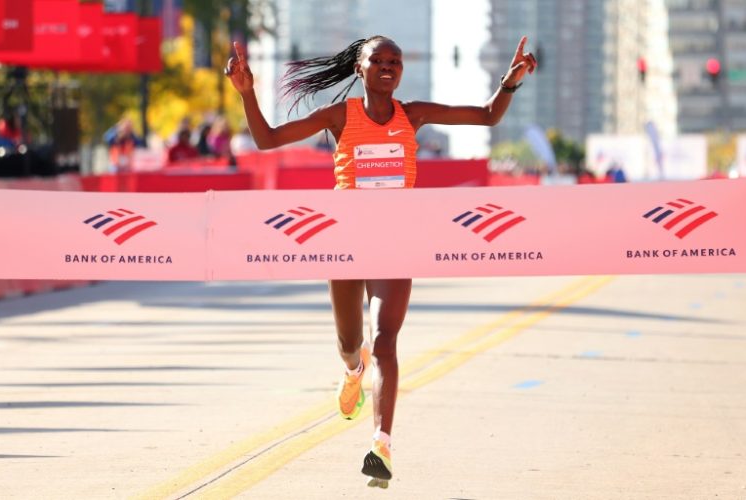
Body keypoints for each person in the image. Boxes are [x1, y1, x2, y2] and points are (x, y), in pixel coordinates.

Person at [225, 34, 536, 487]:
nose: (389, 66)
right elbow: (267, 138)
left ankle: (381, 444)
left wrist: (510, 82)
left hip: (395, 244)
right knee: (352, 344)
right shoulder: (340, 117)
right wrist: (247, 92)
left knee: (386, 342)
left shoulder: (414, 115)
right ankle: (352, 370)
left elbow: (487, 116)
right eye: (379, 60)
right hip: (346, 244)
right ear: (360, 68)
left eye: (396, 60)